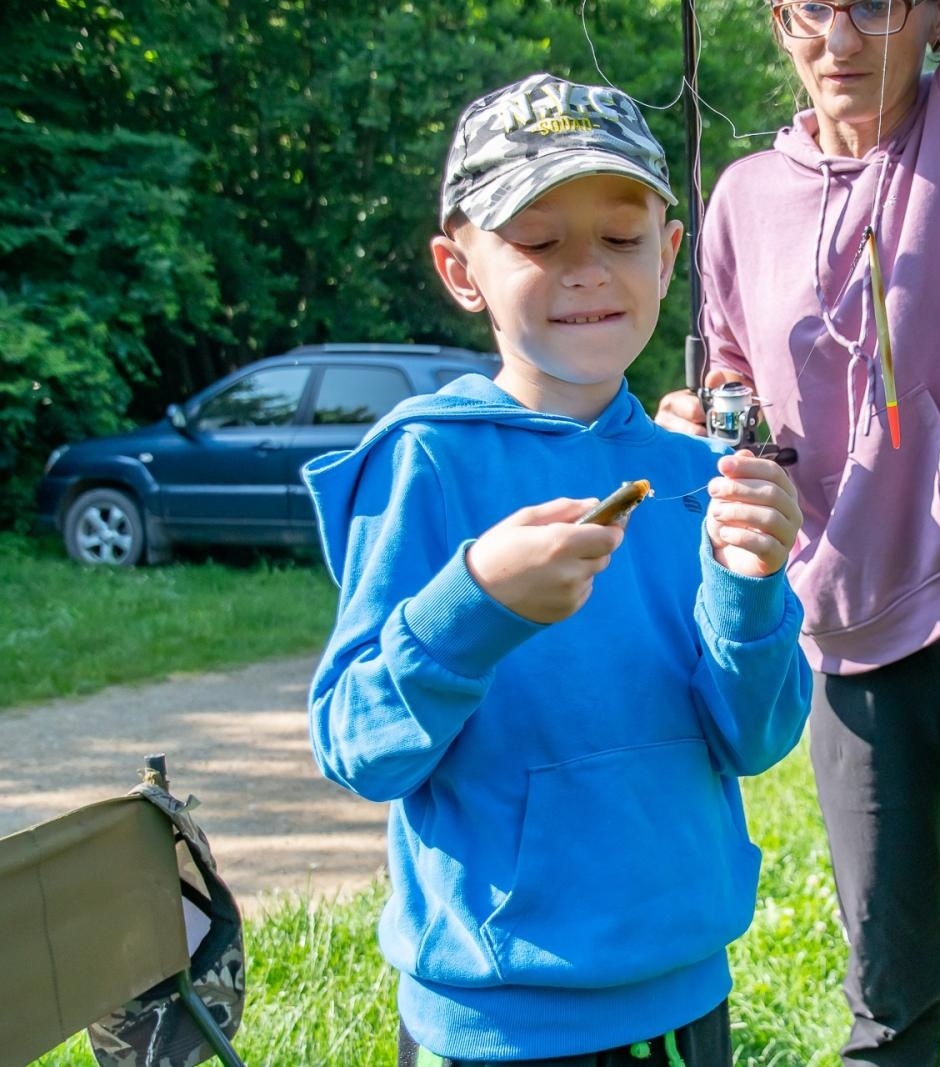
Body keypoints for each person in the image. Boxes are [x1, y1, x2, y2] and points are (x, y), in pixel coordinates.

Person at [304, 72, 811, 1067]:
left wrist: (750, 585)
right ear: (460, 269)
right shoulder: (425, 460)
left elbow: (756, 737)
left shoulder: (697, 474)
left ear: (669, 254)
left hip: (684, 996)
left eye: (620, 237)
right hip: (495, 1023)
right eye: (538, 241)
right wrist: (477, 603)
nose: (585, 271)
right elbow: (359, 747)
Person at [656, 1, 940, 1063]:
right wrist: (711, 428)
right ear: (779, 24)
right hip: (852, 635)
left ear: (939, 13)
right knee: (888, 1002)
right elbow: (735, 374)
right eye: (811, 9)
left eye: (875, 4)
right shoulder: (742, 199)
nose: (841, 40)